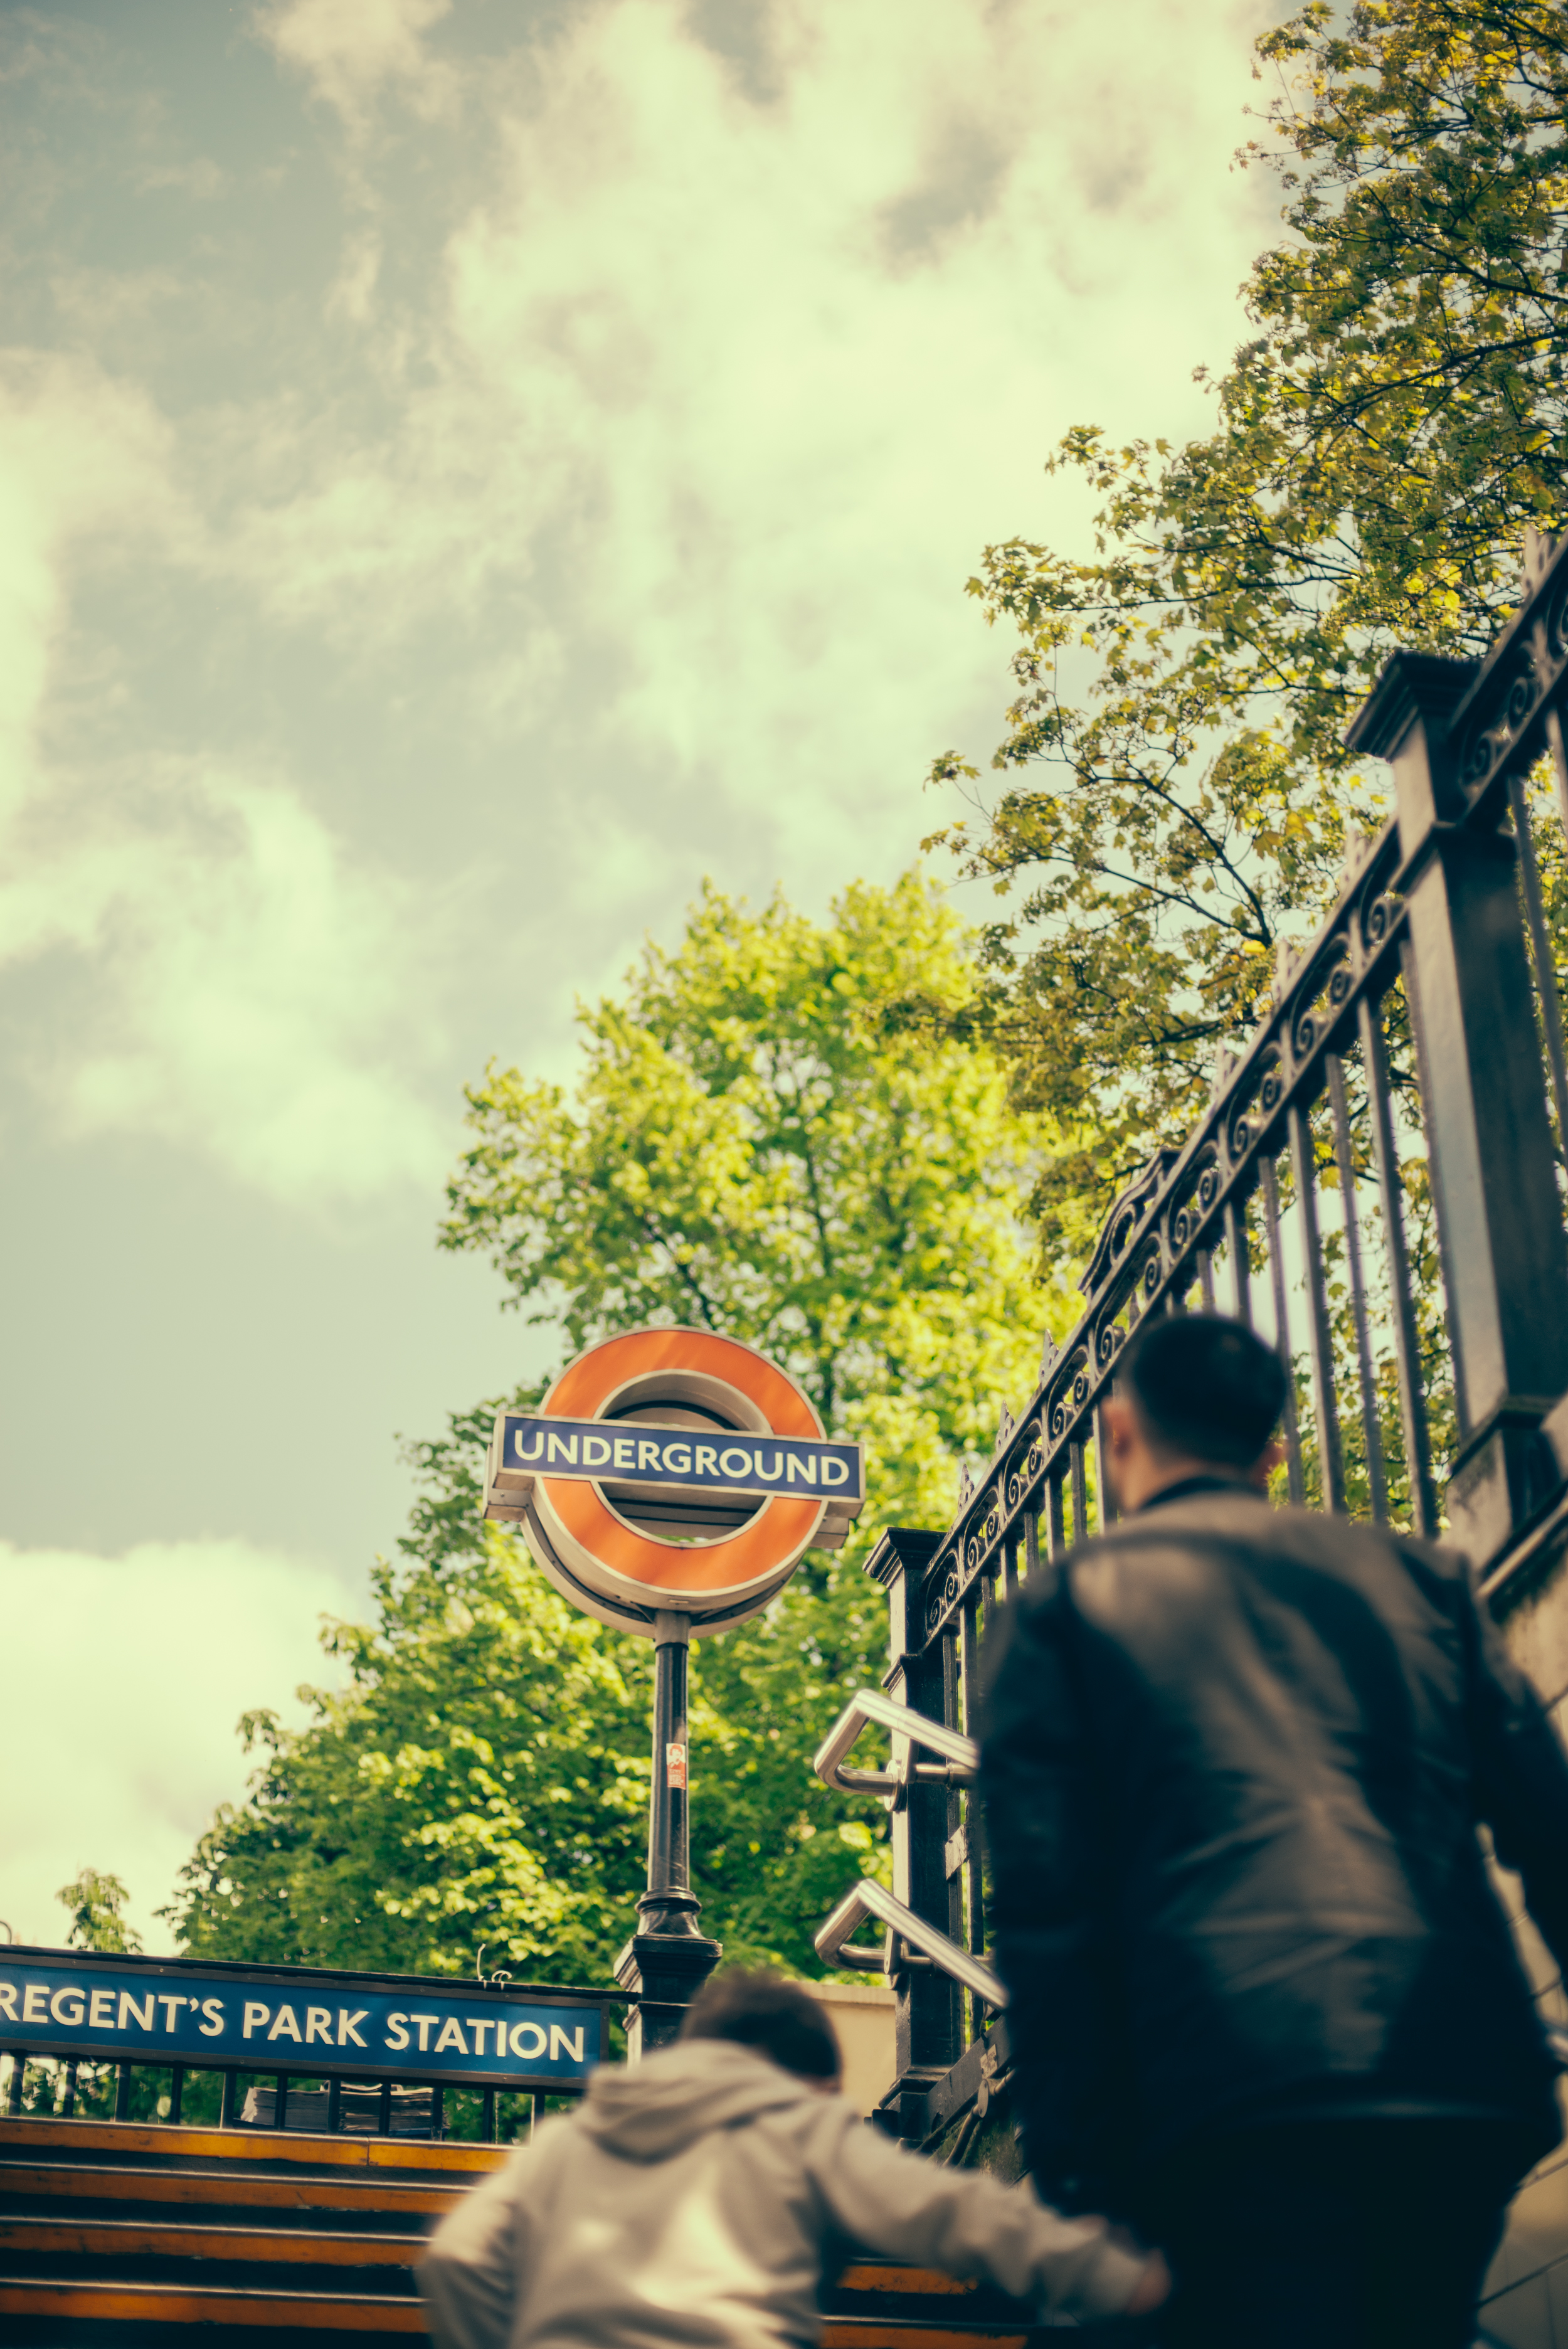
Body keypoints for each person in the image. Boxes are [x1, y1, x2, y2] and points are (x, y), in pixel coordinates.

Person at [981, 1308, 1568, 2349]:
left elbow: (1049, 1913)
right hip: (1456, 2084)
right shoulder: (1423, 1581)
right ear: (1274, 1449)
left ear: (1119, 1431)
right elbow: (1551, 1826)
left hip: (1217, 2099)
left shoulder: (1061, 1611)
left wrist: (1078, 2182)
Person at [418, 1968, 1168, 2349]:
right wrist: (1117, 2277)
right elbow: (951, 2211)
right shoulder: (793, 2125)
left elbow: (454, 2259)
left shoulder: (563, 2143)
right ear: (804, 2081)